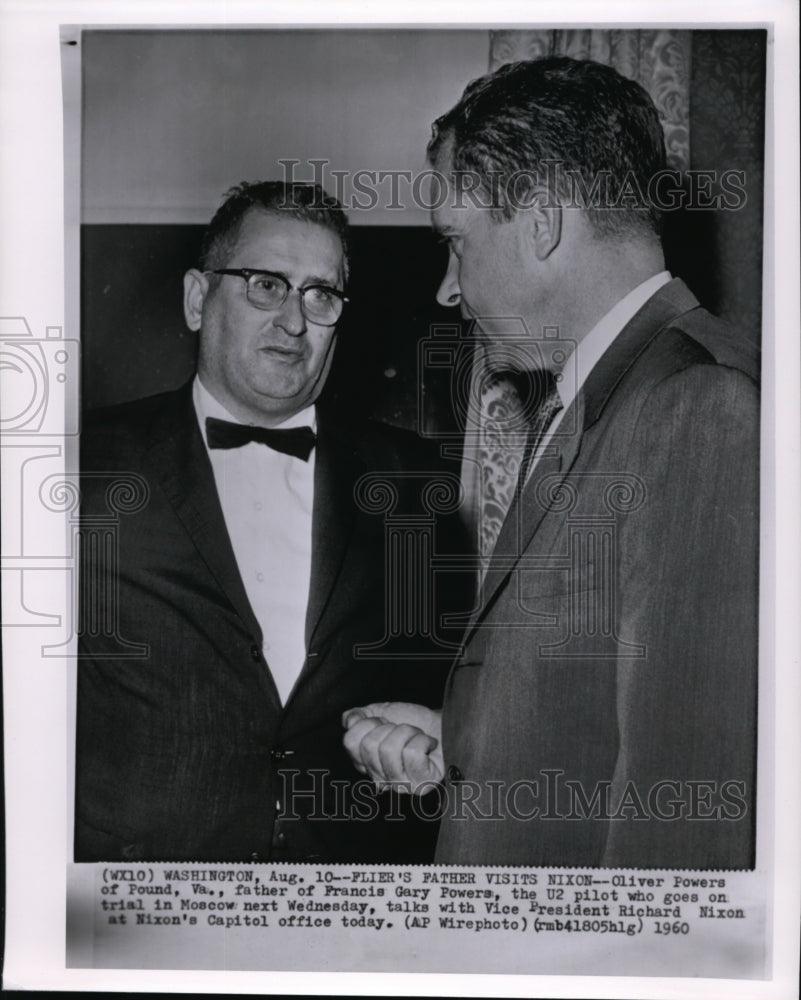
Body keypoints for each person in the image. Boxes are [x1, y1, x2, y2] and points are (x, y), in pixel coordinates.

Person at [344, 57, 759, 869]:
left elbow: (683, 825)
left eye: (456, 245)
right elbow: (608, 710)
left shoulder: (697, 406)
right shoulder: (621, 391)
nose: (446, 289)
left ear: (539, 223)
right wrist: (466, 744)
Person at [76, 180, 465, 863]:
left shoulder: (417, 483)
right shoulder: (82, 465)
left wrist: (438, 747)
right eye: (265, 284)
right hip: (140, 902)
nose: (294, 321)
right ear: (198, 299)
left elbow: (456, 689)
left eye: (321, 294)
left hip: (347, 898)